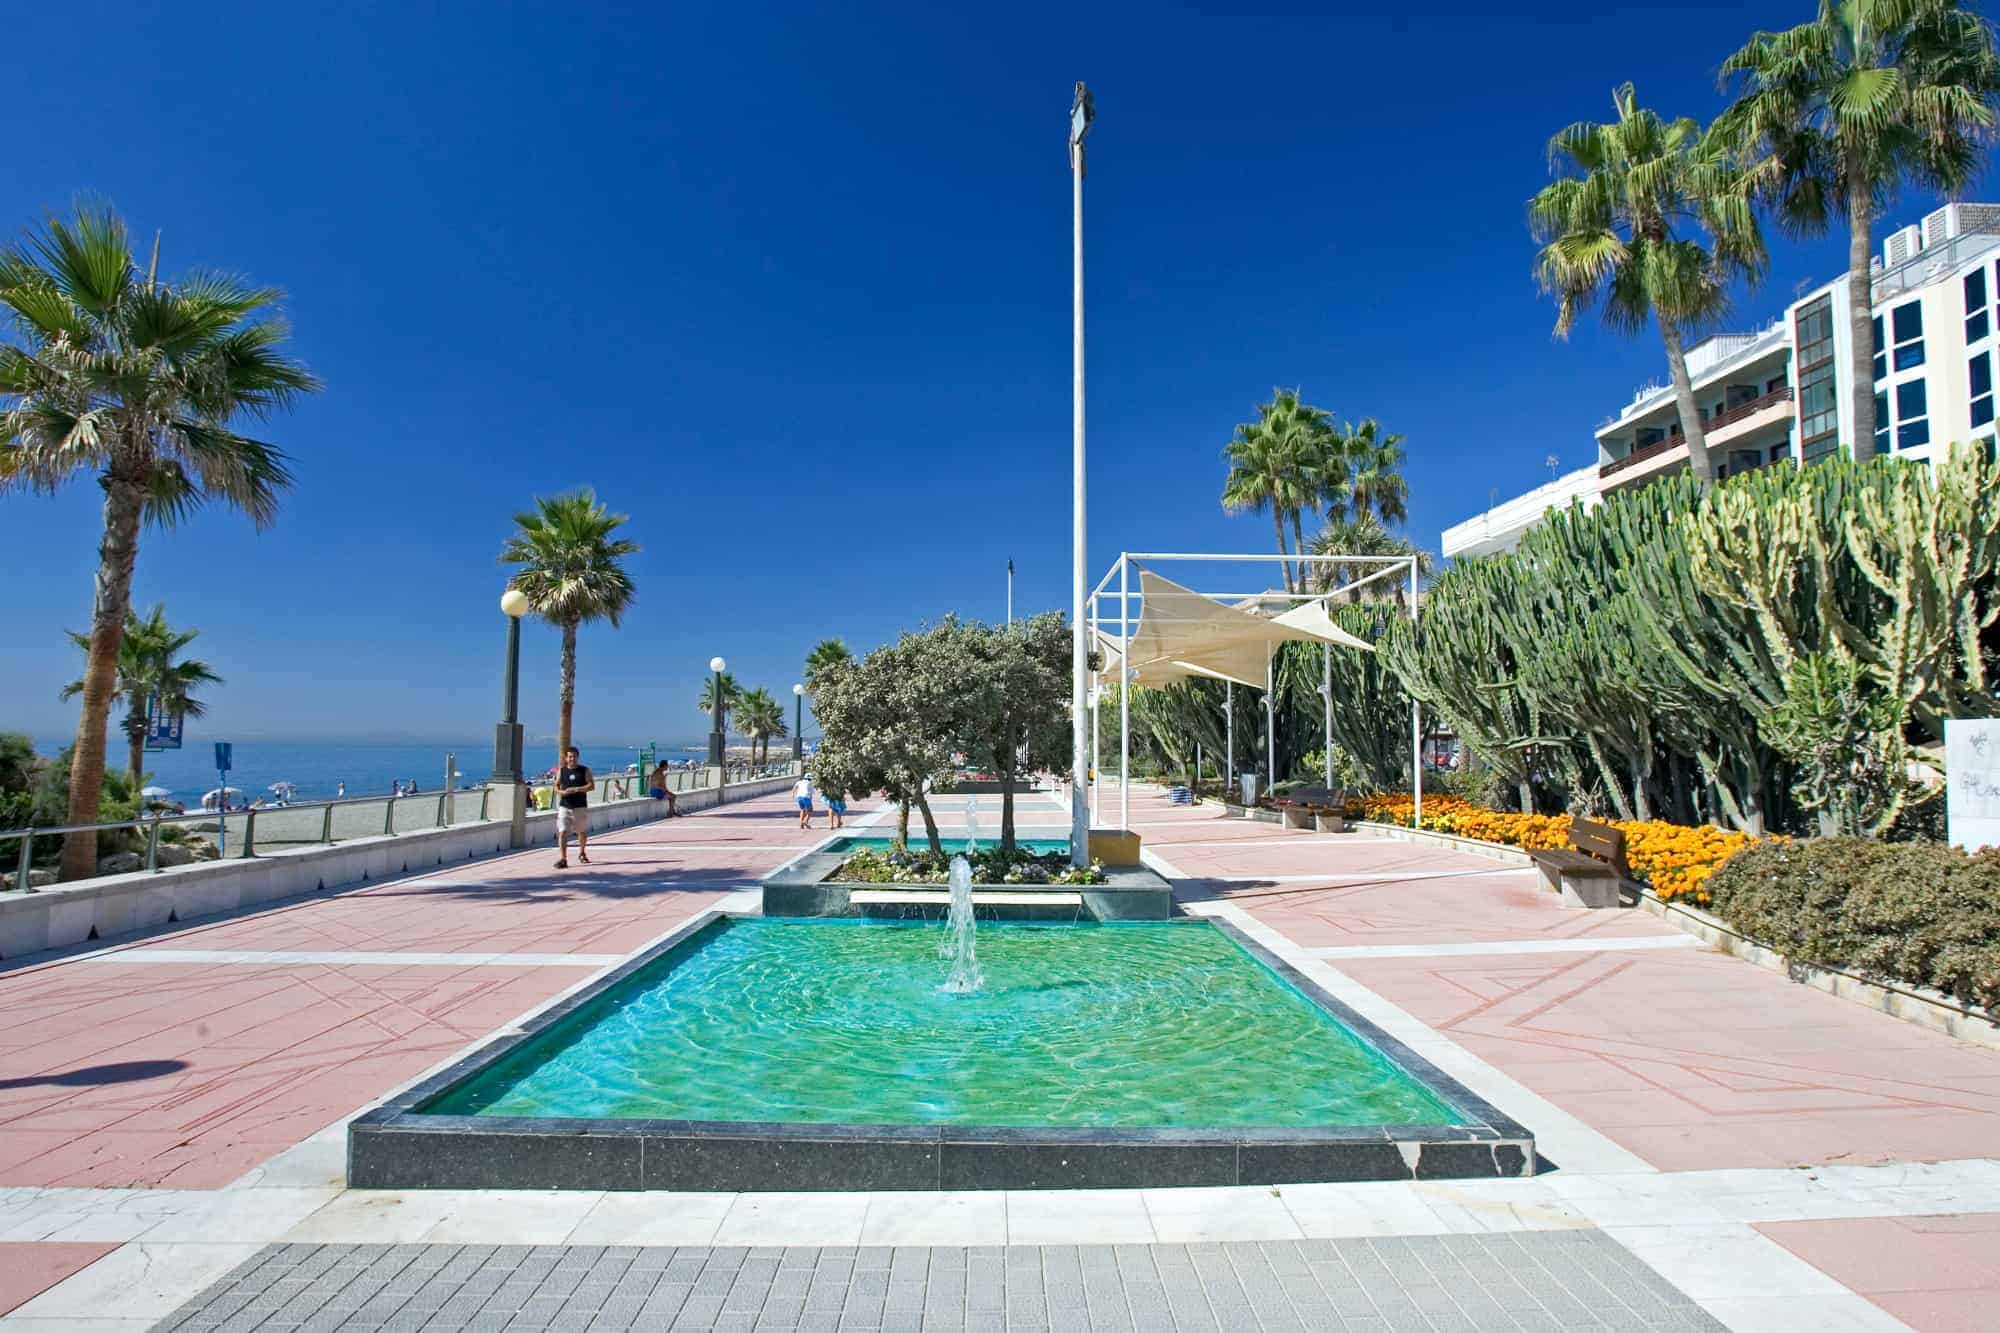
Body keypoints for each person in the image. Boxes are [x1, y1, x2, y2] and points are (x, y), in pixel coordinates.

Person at [554, 746, 593, 868]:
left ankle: (582, 852)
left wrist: (576, 789)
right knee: (562, 831)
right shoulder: (562, 770)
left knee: (581, 831)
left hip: (579, 806)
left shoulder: (584, 770)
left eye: (574, 756)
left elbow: (591, 786)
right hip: (565, 806)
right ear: (566, 758)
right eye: (570, 756)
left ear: (578, 757)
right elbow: (556, 786)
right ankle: (563, 858)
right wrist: (561, 792)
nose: (572, 759)